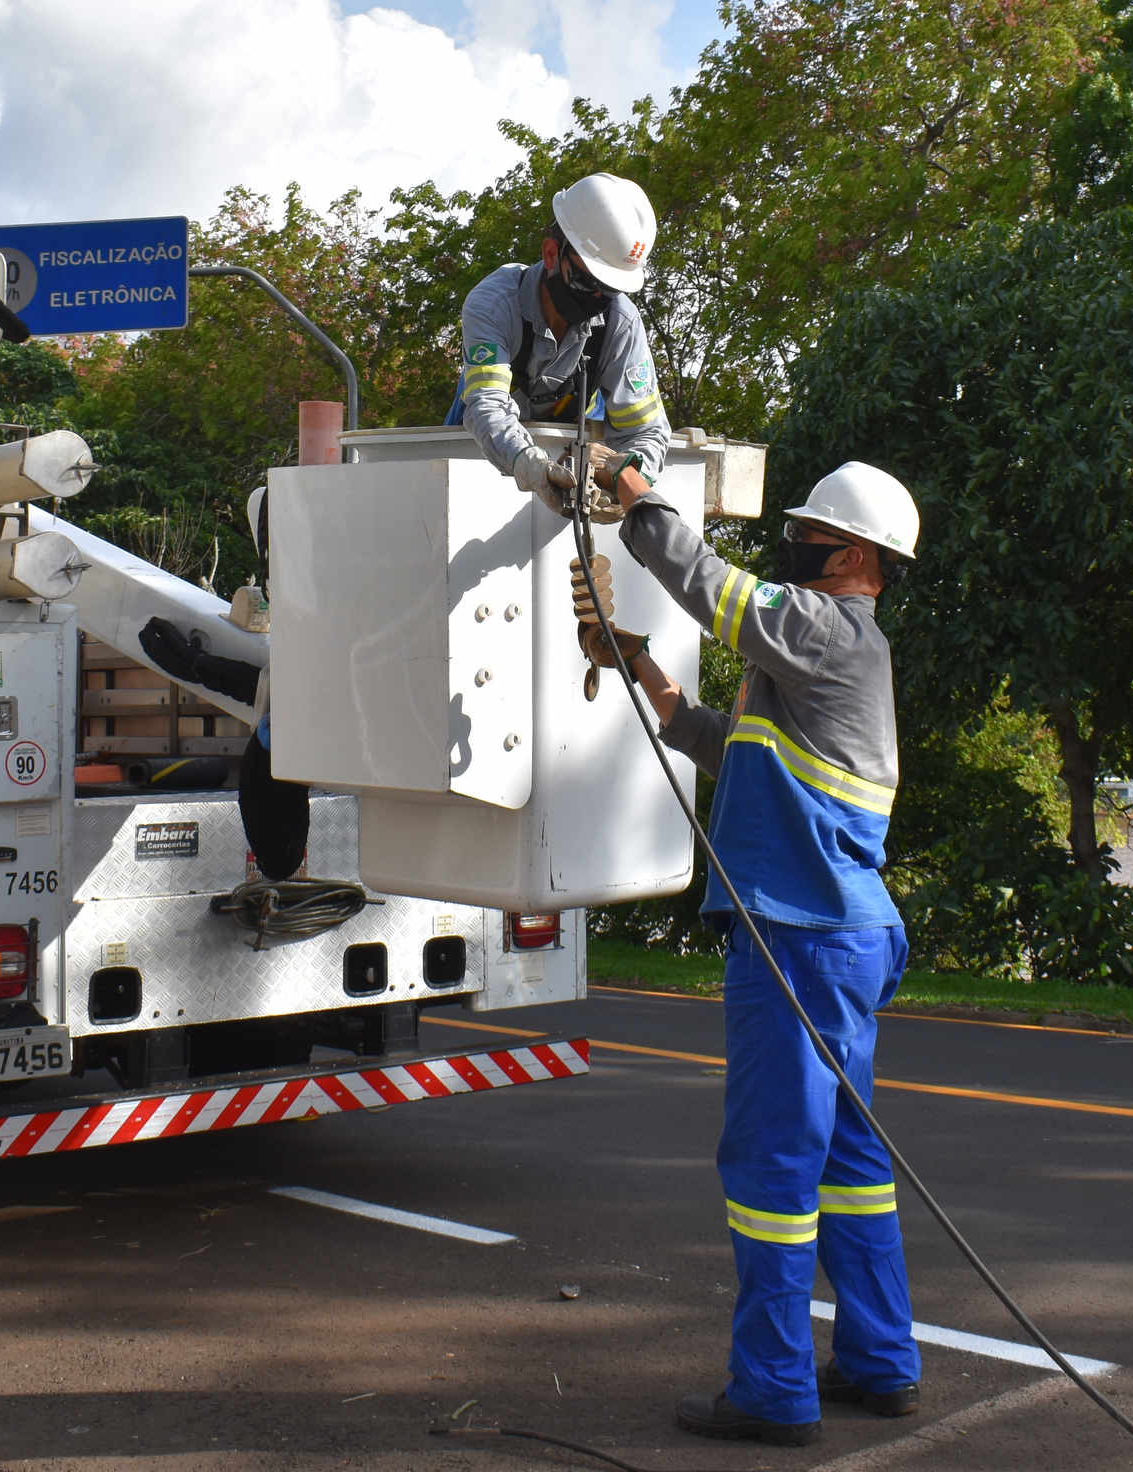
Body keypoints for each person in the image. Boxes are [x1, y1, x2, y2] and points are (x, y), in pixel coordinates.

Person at [588, 447, 924, 1446]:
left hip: (799, 938)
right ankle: (880, 1361)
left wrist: (635, 493)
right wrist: (638, 664)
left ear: (853, 554)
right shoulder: (826, 658)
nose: (797, 544)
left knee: (773, 1162)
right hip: (843, 935)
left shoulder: (826, 628)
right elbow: (722, 744)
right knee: (849, 1158)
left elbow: (708, 582)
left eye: (812, 533)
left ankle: (774, 1388)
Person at [451, 173, 669, 506]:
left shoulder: (619, 322)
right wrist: (533, 466)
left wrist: (626, 481)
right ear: (552, 254)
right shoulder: (495, 305)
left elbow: (646, 431)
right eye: (588, 283)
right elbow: (487, 406)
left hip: (572, 460)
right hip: (479, 458)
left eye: (610, 290)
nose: (598, 299)